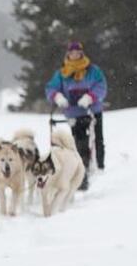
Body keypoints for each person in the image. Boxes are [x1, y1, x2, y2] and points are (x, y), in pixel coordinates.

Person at [45, 41, 107, 190]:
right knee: (79, 143)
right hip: (73, 112)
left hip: (92, 111)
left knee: (96, 138)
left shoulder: (93, 70)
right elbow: (51, 88)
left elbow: (101, 86)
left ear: (81, 53)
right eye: (72, 53)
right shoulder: (62, 73)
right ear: (68, 54)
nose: (74, 55)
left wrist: (91, 97)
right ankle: (80, 173)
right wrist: (57, 96)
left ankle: (99, 166)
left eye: (77, 53)